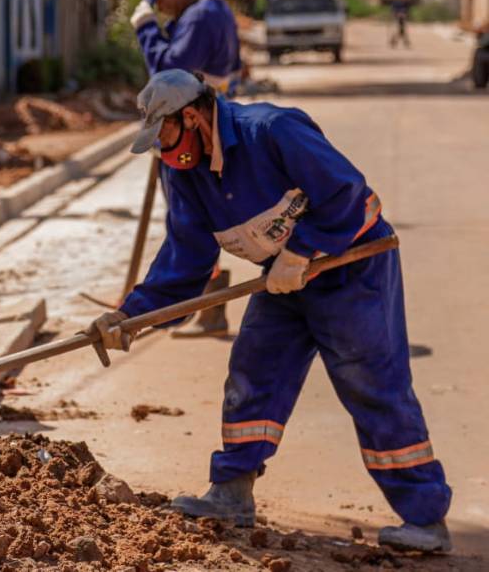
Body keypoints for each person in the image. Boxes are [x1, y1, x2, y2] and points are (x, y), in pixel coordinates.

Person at [87, 69, 452, 553]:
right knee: (253, 372)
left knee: (371, 384)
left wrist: (303, 251)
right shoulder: (183, 172)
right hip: (281, 279)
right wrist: (131, 317)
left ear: (191, 117)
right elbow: (185, 261)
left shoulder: (273, 131)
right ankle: (232, 492)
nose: (163, 151)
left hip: (350, 268)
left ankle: (426, 519)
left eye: (166, 136)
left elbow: (348, 193)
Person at [130, 0, 243, 337]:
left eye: (159, 4)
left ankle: (198, 306)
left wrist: (146, 30)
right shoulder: (216, 8)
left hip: (187, 127)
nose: (160, 11)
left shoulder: (198, 17)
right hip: (206, 120)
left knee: (187, 217)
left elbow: (167, 72)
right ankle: (206, 306)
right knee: (196, 216)